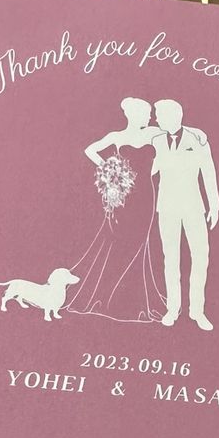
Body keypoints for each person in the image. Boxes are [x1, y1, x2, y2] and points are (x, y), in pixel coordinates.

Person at [66, 97, 165, 322]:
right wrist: (112, 170)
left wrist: (153, 171)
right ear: (134, 115)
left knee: (139, 242)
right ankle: (113, 298)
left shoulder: (153, 134)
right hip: (123, 196)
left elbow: (174, 137)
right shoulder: (116, 136)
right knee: (119, 241)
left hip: (145, 195)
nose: (150, 117)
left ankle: (132, 299)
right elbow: (90, 150)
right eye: (147, 113)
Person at [150, 98, 219, 331]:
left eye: (159, 115)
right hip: (167, 207)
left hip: (193, 207)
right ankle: (172, 309)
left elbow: (208, 172)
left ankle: (197, 311)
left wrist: (214, 205)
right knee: (170, 259)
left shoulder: (197, 139)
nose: (156, 119)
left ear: (174, 116)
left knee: (200, 256)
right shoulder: (156, 141)